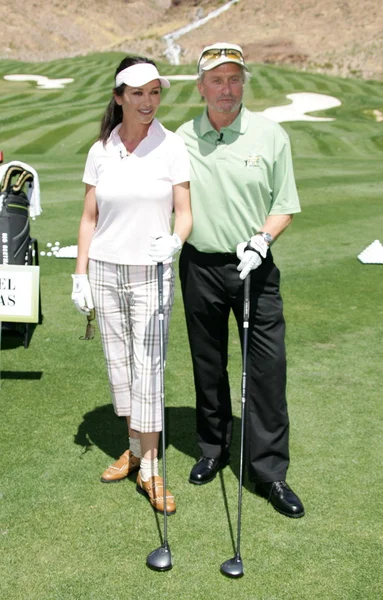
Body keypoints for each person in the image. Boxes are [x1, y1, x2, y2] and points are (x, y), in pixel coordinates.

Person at [177, 43, 304, 518]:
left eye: (234, 79)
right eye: (216, 80)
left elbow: (284, 204)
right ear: (200, 87)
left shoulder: (270, 135)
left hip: (255, 265)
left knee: (267, 371)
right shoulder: (182, 138)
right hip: (200, 265)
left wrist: (262, 240)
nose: (226, 89)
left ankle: (269, 472)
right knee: (208, 365)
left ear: (243, 82)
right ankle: (212, 449)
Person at [71, 56, 192, 516]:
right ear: (119, 97)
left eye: (155, 92)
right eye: (137, 93)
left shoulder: (172, 145)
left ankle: (151, 467)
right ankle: (134, 448)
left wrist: (175, 240)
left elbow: (185, 211)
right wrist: (80, 273)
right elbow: (88, 217)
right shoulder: (101, 149)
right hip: (104, 268)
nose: (148, 102)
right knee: (120, 367)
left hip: (151, 271)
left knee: (150, 370)